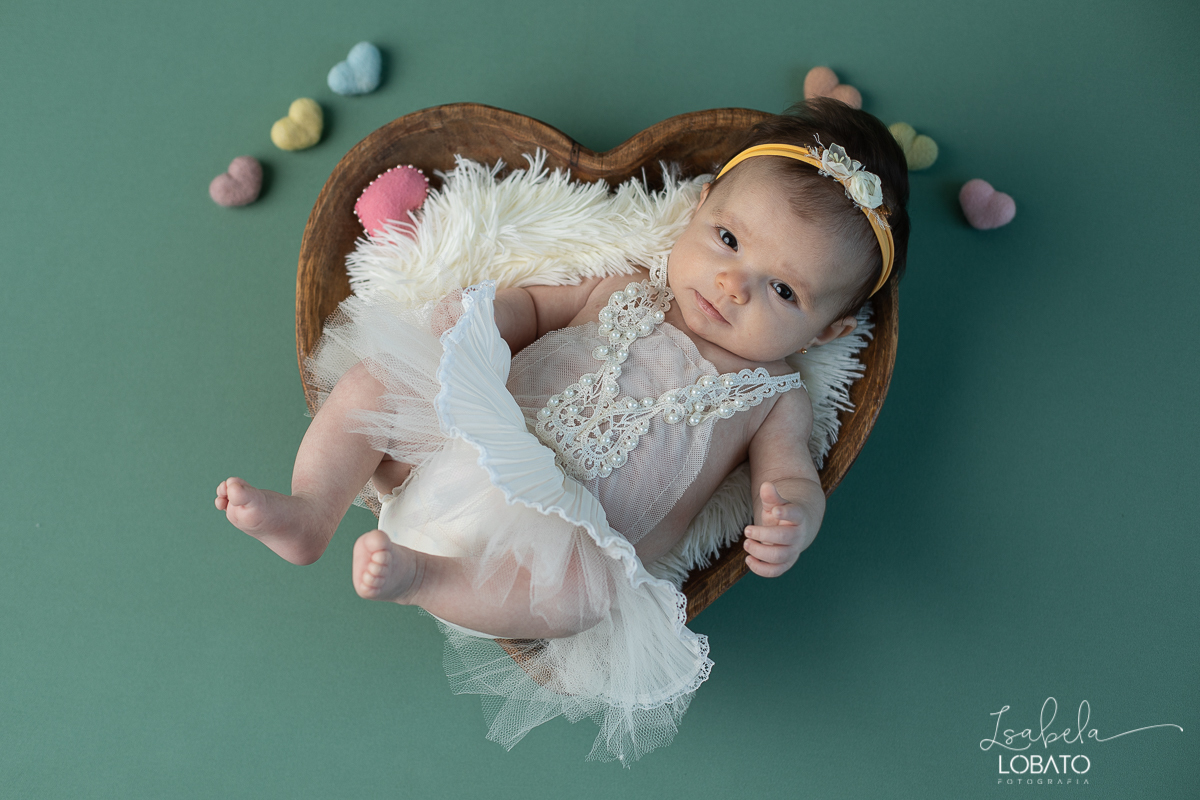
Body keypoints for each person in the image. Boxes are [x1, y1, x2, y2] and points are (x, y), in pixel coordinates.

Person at [215, 98, 911, 764]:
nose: (734, 285)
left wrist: (793, 519)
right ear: (697, 208)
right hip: (462, 437)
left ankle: (424, 577)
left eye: (783, 290)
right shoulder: (624, 285)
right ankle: (312, 509)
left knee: (585, 598)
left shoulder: (775, 397)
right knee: (378, 381)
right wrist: (479, 320)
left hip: (557, 544)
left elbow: (792, 475)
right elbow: (531, 309)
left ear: (829, 331)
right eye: (727, 240)